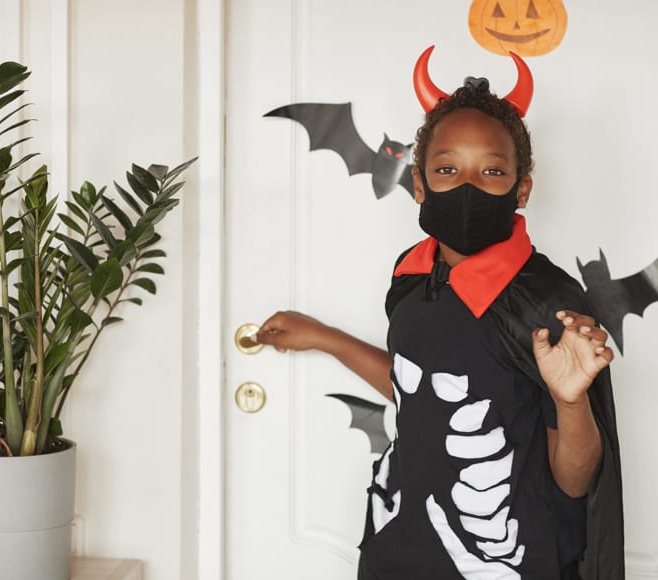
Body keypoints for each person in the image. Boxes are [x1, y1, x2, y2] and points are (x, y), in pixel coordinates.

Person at [255, 47, 624, 580]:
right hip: (400, 542)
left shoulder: (547, 301)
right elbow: (418, 387)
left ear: (521, 189)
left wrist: (570, 401)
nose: (468, 187)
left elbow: (573, 479)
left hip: (515, 559)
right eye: (448, 169)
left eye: (492, 171)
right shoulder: (411, 274)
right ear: (421, 185)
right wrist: (326, 337)